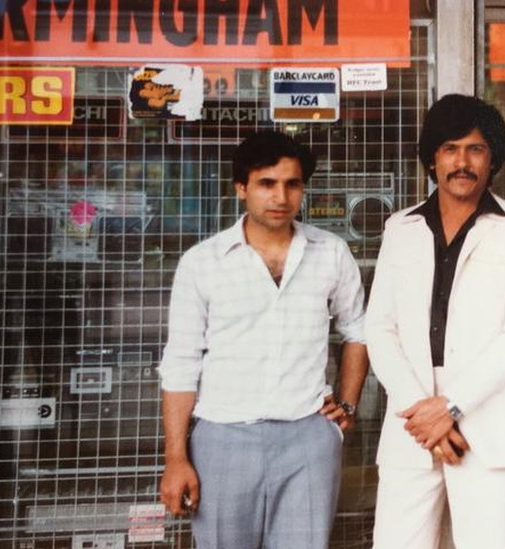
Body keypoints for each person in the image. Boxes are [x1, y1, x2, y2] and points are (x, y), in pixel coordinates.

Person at [157, 130, 368, 549]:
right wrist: (176, 458)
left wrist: (347, 404)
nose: (281, 196)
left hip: (308, 437)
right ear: (242, 189)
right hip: (223, 438)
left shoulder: (330, 252)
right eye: (266, 184)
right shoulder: (203, 263)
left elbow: (358, 329)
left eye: (292, 184)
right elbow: (181, 362)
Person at [366, 94, 505, 549]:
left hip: (488, 407)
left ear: (494, 160)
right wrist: (422, 410)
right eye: (450, 148)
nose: (462, 162)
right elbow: (380, 327)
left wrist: (450, 407)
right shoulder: (400, 228)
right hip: (412, 412)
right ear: (432, 158)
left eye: (476, 149)